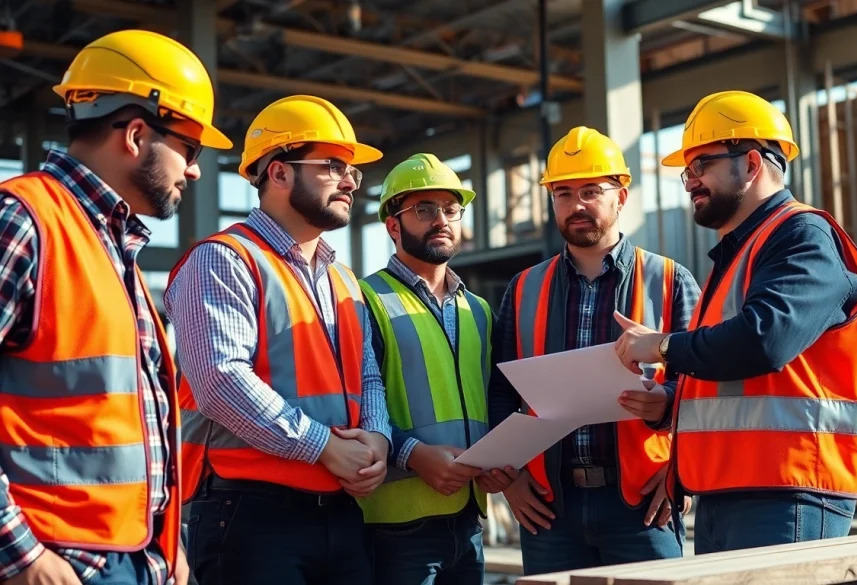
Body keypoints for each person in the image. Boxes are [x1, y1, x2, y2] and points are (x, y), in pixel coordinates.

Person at [0, 29, 232, 585]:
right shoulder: (24, 222)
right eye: (190, 149)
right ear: (134, 134)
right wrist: (20, 555)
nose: (194, 170)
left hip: (134, 558)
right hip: (59, 561)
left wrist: (164, 545)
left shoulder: (111, 244)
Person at [612, 90, 857, 554]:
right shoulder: (738, 255)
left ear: (751, 163)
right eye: (686, 170)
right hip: (726, 492)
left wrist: (663, 346)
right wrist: (669, 403)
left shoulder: (803, 235)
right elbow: (737, 387)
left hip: (788, 491)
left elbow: (764, 340)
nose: (689, 181)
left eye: (701, 165)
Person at [163, 95, 391, 585]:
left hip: (341, 510)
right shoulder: (222, 260)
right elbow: (222, 382)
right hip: (248, 513)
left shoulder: (345, 280)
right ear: (280, 173)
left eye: (352, 170)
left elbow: (367, 373)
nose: (350, 181)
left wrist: (377, 438)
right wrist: (323, 448)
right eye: (333, 166)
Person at [484, 126, 701, 575]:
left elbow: (703, 385)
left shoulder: (669, 279)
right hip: (548, 508)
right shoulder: (524, 289)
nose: (575, 204)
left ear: (621, 197)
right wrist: (512, 480)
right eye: (562, 193)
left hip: (642, 503)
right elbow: (501, 392)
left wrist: (681, 473)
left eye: (590, 191)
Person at [357, 153, 492, 585]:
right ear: (393, 225)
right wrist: (412, 454)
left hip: (469, 517)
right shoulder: (363, 299)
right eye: (424, 210)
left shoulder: (480, 311)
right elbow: (353, 405)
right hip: (397, 522)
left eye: (451, 209)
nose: (441, 220)